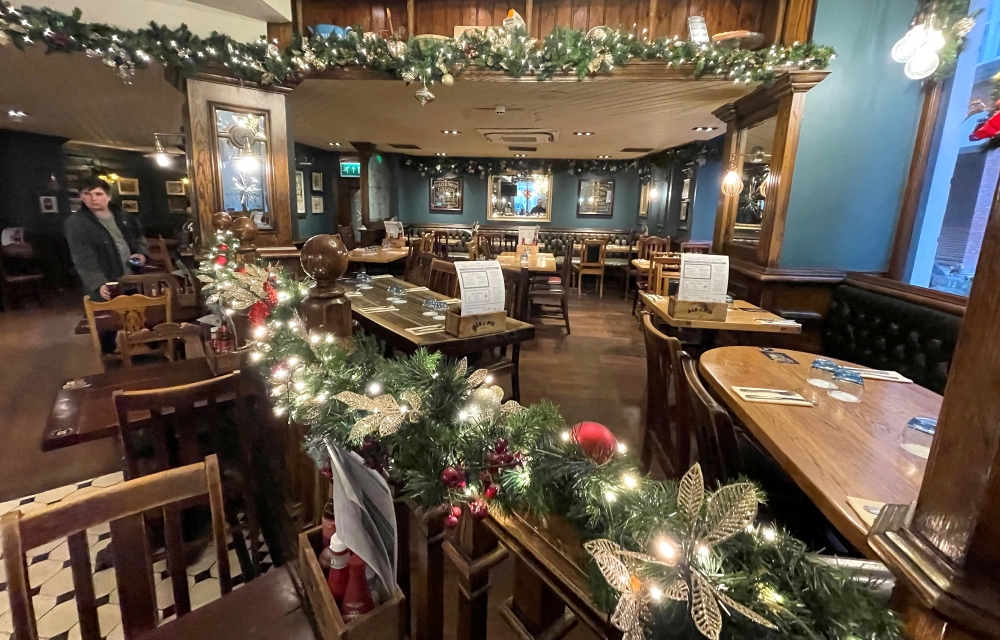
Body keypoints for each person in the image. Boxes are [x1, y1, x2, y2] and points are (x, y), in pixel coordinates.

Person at [65, 177, 148, 301]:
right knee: (111, 318)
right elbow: (82, 258)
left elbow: (139, 238)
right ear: (81, 197)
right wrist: (98, 283)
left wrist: (142, 254)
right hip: (107, 283)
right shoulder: (76, 223)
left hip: (134, 278)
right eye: (87, 194)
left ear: (108, 196)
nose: (93, 198)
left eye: (98, 194)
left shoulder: (123, 215)